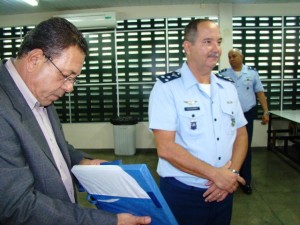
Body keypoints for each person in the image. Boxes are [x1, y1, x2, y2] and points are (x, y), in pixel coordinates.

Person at [0, 17, 151, 225]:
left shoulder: (40, 92)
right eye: (66, 76)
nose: (69, 88)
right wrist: (108, 222)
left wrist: (82, 162)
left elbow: (51, 147)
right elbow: (18, 207)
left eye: (73, 79)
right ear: (35, 59)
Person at [148, 19, 248, 225]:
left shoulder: (227, 87)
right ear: (188, 46)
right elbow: (166, 148)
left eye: (218, 42)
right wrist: (217, 176)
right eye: (207, 42)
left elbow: (241, 134)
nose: (216, 49)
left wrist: (231, 174)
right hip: (183, 193)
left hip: (224, 192)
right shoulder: (167, 88)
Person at [218, 48, 269, 195]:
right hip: (228, 116)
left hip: (247, 115)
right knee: (228, 147)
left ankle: (245, 180)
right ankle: (229, 179)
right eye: (229, 57)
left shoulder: (252, 73)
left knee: (244, 147)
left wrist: (266, 111)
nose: (232, 58)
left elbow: (259, 92)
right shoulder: (223, 74)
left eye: (234, 56)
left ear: (242, 56)